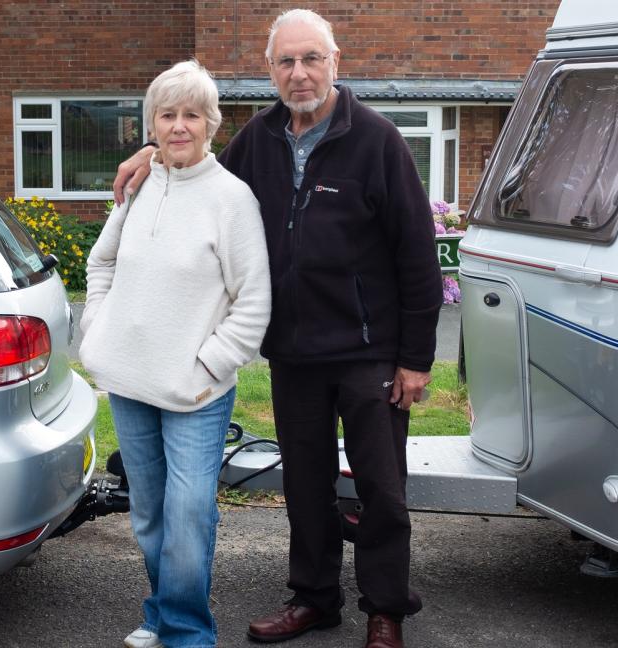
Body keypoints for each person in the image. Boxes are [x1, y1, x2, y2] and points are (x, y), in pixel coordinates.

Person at [112, 9, 440, 648]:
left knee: (380, 487)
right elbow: (198, 166)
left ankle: (385, 609)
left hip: (370, 352)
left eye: (311, 59)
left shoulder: (377, 141)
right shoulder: (257, 141)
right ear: (270, 71)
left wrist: (416, 359)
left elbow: (416, 255)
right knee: (306, 484)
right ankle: (314, 598)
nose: (299, 73)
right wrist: (153, 153)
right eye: (286, 62)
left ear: (334, 63)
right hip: (293, 351)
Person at [81, 59, 272, 648]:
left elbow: (254, 301)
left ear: (211, 123)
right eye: (168, 114)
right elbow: (101, 263)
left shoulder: (231, 198)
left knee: (188, 519)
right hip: (131, 381)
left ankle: (188, 633)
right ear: (153, 124)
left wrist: (210, 364)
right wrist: (97, 331)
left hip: (196, 392)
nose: (180, 126)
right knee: (150, 515)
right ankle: (161, 615)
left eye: (193, 114)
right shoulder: (138, 187)